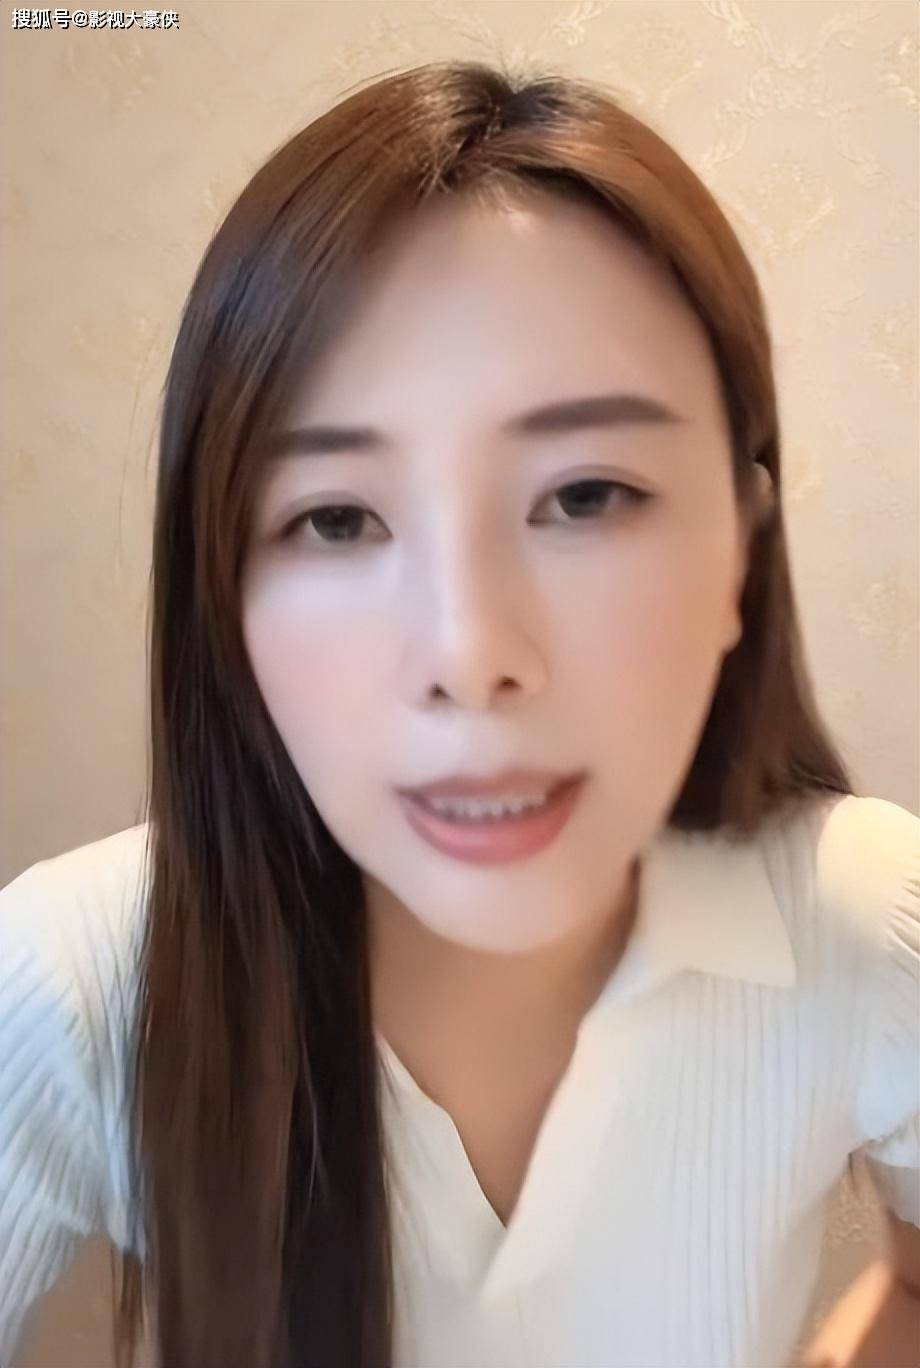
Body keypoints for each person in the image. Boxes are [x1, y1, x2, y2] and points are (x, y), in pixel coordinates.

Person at [0, 59, 917, 1368]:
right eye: (336, 518)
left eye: (586, 496)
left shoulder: (866, 918)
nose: (470, 656)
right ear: (223, 591)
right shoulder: (78, 976)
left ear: (745, 552)